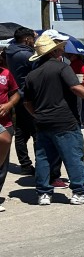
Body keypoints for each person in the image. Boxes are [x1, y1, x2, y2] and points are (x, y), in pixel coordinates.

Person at [22, 34, 84, 205]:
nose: (62, 51)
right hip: (64, 121)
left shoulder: (32, 75)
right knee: (73, 156)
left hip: (42, 121)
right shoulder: (62, 68)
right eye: (60, 48)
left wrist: (37, 115)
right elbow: (75, 87)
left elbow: (27, 102)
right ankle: (81, 191)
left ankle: (44, 193)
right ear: (54, 52)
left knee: (44, 158)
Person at [3, 27, 37, 173]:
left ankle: (25, 163)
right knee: (37, 132)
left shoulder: (10, 51)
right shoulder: (25, 54)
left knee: (22, 131)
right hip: (28, 96)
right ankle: (40, 164)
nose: (34, 42)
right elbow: (38, 69)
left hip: (17, 94)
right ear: (27, 39)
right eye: (33, 39)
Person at [0, 51, 21, 211]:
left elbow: (16, 94)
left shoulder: (6, 73)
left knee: (3, 164)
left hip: (6, 122)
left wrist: (9, 105)